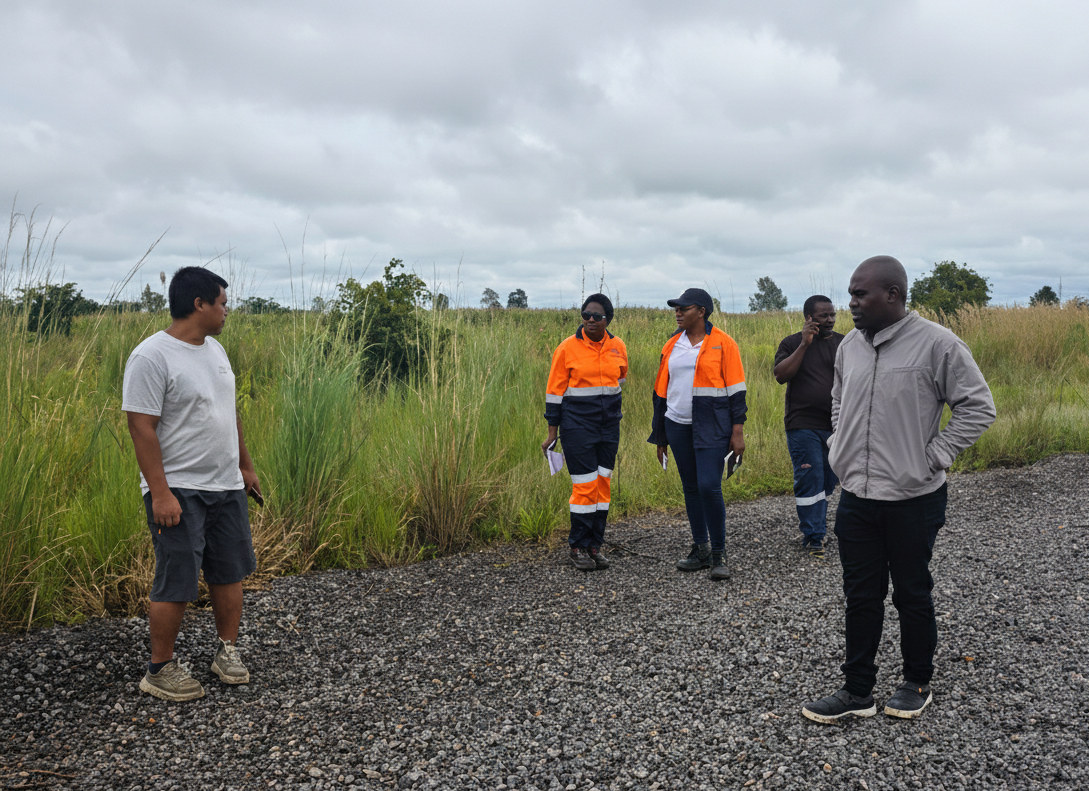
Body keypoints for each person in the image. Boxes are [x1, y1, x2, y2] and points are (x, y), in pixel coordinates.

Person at [801, 256, 995, 724]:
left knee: (912, 592)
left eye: (860, 294)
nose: (851, 304)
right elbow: (839, 400)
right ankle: (857, 691)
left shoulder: (937, 344)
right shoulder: (850, 346)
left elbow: (978, 407)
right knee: (861, 594)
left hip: (913, 497)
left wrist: (933, 456)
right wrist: (838, 447)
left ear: (893, 294)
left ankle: (916, 681)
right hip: (857, 497)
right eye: (850, 294)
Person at [123, 266, 262, 702]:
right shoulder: (151, 356)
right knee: (178, 575)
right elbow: (141, 427)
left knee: (229, 570)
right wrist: (160, 492)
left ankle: (227, 651)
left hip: (225, 484)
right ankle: (160, 668)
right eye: (222, 303)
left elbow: (228, 411)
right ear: (199, 304)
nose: (226, 311)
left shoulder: (216, 350)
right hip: (179, 487)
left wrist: (245, 466)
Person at [648, 288, 746, 581]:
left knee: (708, 487)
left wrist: (737, 431)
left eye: (683, 308)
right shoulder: (671, 345)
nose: (677, 313)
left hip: (712, 426)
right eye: (675, 309)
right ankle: (701, 549)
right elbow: (660, 392)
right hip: (676, 424)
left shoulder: (724, 343)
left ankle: (719, 553)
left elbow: (737, 390)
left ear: (701, 311)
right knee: (691, 487)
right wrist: (660, 435)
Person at [543, 294, 628, 571]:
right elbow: (554, 393)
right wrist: (552, 433)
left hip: (609, 426)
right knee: (585, 486)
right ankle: (578, 546)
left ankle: (595, 546)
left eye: (597, 316)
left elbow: (620, 380)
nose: (590, 320)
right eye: (586, 315)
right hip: (577, 426)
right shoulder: (567, 348)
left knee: (603, 484)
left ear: (608, 320)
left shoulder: (618, 347)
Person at [773, 295, 844, 557]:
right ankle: (815, 536)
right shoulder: (792, 342)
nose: (830, 320)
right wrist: (804, 344)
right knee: (810, 476)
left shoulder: (844, 343)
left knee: (829, 478)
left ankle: (816, 525)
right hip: (802, 424)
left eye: (832, 314)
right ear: (809, 318)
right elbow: (781, 375)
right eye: (824, 315)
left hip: (837, 423)